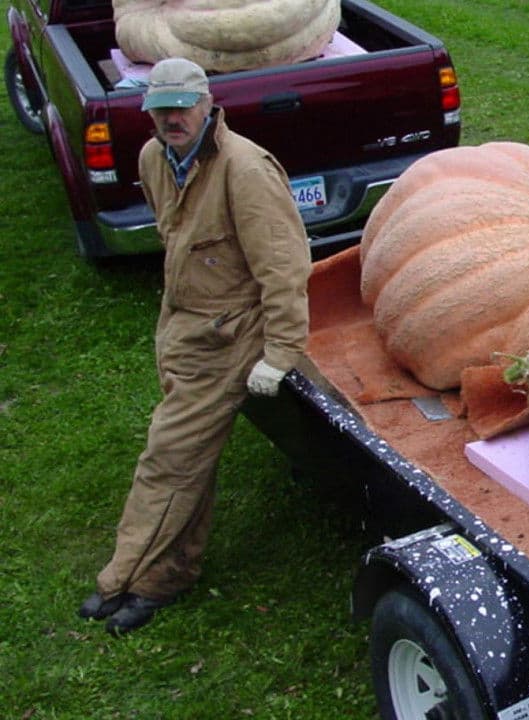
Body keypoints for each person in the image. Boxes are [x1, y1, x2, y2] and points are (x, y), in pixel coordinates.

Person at [78, 58, 312, 636]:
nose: (173, 118)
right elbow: (177, 238)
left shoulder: (245, 170)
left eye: (183, 106)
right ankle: (173, 570)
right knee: (191, 459)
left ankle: (129, 578)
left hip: (230, 336)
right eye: (161, 108)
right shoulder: (153, 158)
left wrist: (280, 353)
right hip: (182, 328)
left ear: (208, 103)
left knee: (169, 458)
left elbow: (284, 267)